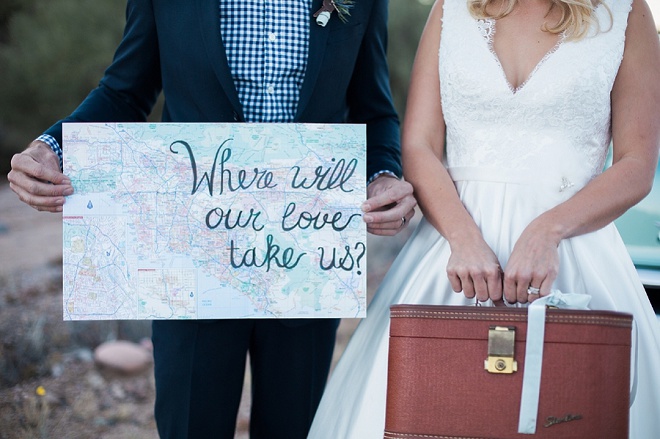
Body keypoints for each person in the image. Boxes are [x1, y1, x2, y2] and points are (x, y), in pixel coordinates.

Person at [7, 1, 417, 438]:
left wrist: (384, 175)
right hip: (191, 252)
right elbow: (125, 92)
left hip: (304, 258)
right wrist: (53, 146)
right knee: (191, 425)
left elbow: (375, 110)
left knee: (296, 428)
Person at [308, 0, 660, 437]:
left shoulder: (626, 14)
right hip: (452, 254)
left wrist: (548, 230)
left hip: (573, 253)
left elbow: (637, 164)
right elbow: (418, 145)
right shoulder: (451, 9)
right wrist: (463, 238)